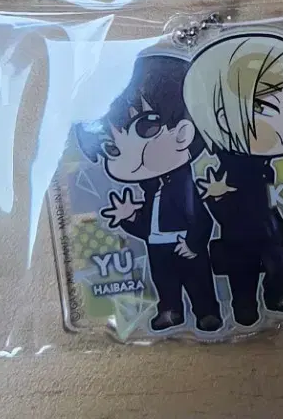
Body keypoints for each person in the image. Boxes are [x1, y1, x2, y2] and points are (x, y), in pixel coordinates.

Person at [183, 31, 283, 328]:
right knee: (243, 273)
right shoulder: (224, 169)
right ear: (222, 119)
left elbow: (268, 199)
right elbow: (215, 206)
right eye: (265, 109)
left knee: (278, 266)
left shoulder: (265, 167)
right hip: (239, 235)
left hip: (269, 230)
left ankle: (275, 298)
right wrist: (219, 200)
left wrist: (281, 226)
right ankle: (245, 306)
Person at [77, 53, 223, 333]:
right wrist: (128, 218)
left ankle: (207, 312)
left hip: (185, 243)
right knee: (165, 281)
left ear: (183, 132)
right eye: (112, 148)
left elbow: (202, 219)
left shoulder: (184, 186)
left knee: (198, 279)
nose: (127, 153)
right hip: (157, 246)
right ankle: (170, 310)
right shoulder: (150, 191)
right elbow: (146, 227)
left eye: (146, 128)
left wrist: (193, 243)